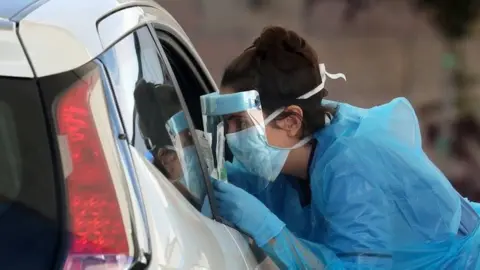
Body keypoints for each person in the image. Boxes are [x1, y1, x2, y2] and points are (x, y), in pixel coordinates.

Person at [201, 26, 480, 269]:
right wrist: (192, 164)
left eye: (239, 122)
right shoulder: (298, 158)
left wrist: (265, 227)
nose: (230, 135)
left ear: (291, 121)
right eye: (225, 123)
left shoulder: (352, 168)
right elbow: (247, 188)